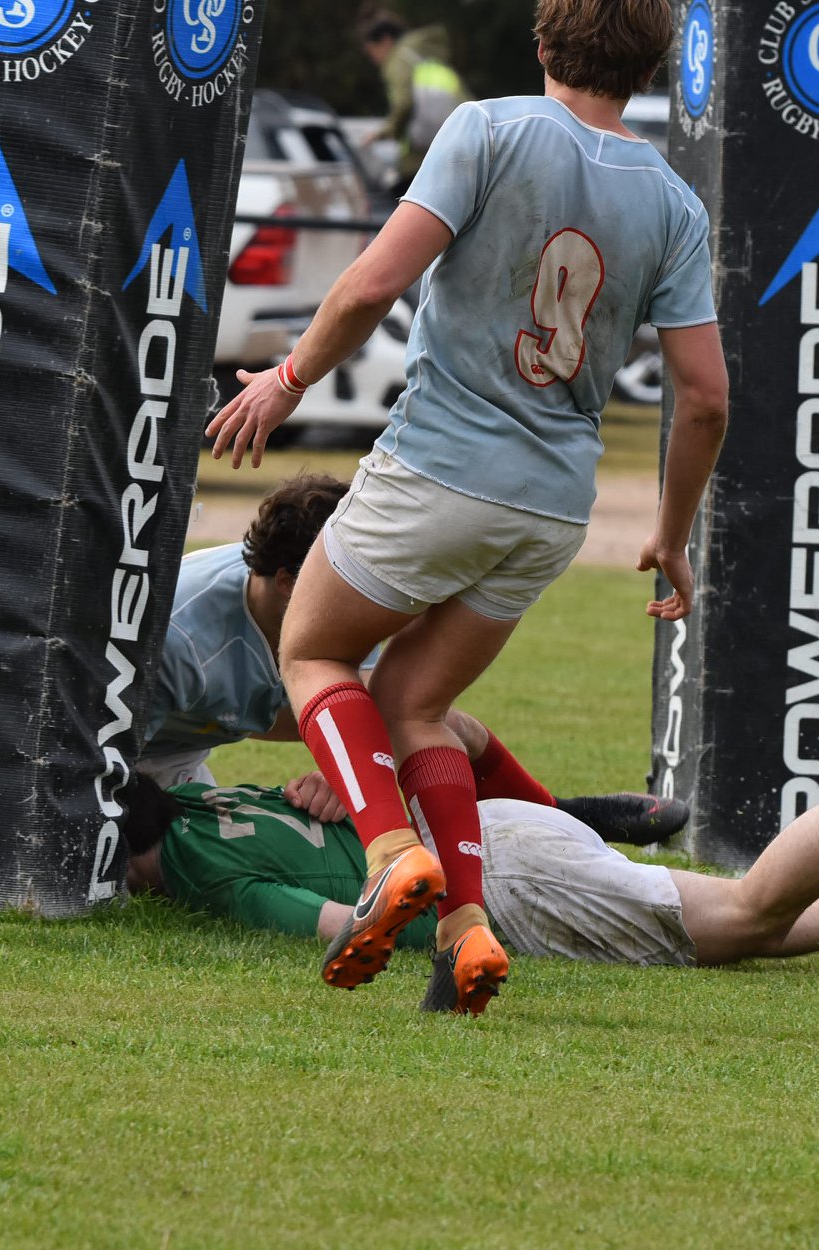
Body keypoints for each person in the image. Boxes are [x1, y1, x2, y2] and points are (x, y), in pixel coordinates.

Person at [205, 0, 728, 1016]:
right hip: (551, 506)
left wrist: (287, 378)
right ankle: (464, 926)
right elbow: (703, 397)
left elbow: (369, 286)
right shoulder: (671, 200)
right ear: (652, 64)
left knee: (311, 652)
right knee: (415, 704)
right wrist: (669, 531)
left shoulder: (485, 129)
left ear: (542, 43)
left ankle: (391, 854)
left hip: (440, 469)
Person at [120, 698, 819, 1013]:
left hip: (499, 883)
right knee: (733, 928)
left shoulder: (199, 870)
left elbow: (363, 924)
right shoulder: (211, 794)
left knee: (746, 913)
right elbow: (450, 729)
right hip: (498, 831)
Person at [138, 472, 688, 845]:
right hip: (146, 754)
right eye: (348, 571)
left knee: (430, 720)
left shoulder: (321, 585)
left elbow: (382, 709)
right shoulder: (178, 640)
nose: (363, 587)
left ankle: (562, 818)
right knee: (179, 845)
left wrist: (346, 766)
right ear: (288, 582)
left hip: (223, 718)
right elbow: (98, 756)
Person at [359, 11, 470, 197]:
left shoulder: (399, 59)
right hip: (457, 139)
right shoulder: (424, 56)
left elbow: (404, 103)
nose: (374, 59)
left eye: (372, 51)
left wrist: (385, 132)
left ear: (385, 41)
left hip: (423, 153)